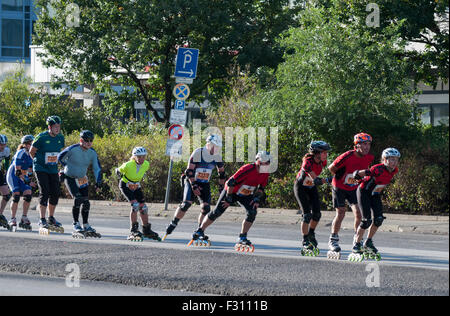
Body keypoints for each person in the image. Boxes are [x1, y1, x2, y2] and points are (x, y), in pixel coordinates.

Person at [190, 151, 272, 252]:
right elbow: (230, 182)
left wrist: (257, 199)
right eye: (266, 163)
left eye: (269, 163)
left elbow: (261, 188)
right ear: (259, 162)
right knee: (217, 212)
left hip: (245, 194)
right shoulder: (248, 168)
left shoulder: (265, 172)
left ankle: (242, 237)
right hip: (231, 191)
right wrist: (228, 198)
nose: (268, 165)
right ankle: (199, 231)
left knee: (252, 212)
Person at [163, 134, 226, 240]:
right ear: (208, 144)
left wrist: (221, 189)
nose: (216, 149)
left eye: (218, 147)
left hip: (204, 182)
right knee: (186, 204)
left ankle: (200, 231)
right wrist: (194, 185)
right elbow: (189, 171)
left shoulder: (217, 156)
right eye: (215, 146)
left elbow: (222, 174)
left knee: (206, 208)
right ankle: (174, 223)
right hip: (191, 180)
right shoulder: (198, 152)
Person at [327, 133, 374, 259]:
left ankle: (357, 241)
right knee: (341, 212)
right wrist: (340, 173)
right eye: (364, 144)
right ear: (357, 145)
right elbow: (331, 168)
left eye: (369, 144)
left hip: (353, 187)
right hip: (339, 186)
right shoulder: (348, 155)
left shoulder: (369, 158)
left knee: (359, 213)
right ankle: (333, 239)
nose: (367, 147)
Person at [348, 148, 400, 262]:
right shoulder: (378, 168)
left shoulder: (394, 170)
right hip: (364, 192)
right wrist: (356, 175)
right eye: (392, 159)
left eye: (396, 159)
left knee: (379, 219)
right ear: (385, 160)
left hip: (375, 194)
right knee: (366, 221)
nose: (394, 162)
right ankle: (356, 244)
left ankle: (368, 242)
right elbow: (362, 173)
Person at [58, 130, 102, 238]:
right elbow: (60, 157)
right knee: (78, 199)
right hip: (70, 177)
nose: (89, 143)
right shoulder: (73, 149)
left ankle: (85, 224)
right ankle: (76, 223)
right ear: (81, 140)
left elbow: (97, 168)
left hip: (82, 178)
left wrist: (98, 182)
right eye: (86, 141)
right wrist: (65, 168)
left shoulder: (92, 152)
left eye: (91, 141)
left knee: (86, 202)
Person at [294, 141, 332, 256]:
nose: (326, 155)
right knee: (307, 215)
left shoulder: (323, 162)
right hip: (301, 188)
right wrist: (329, 180)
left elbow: (315, 182)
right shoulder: (307, 161)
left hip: (311, 187)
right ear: (316, 153)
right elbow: (316, 179)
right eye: (324, 152)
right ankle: (305, 239)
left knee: (317, 214)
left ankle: (311, 233)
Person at [29, 115, 65, 233]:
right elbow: (31, 151)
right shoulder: (41, 137)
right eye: (55, 127)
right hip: (40, 168)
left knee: (55, 192)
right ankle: (42, 219)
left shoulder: (60, 137)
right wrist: (38, 163)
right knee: (44, 191)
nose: (57, 129)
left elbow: (59, 152)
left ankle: (51, 218)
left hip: (53, 169)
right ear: (49, 127)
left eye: (59, 127)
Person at [116, 146, 160, 241]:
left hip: (136, 185)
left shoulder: (146, 164)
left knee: (143, 207)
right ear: (134, 157)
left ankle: (146, 229)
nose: (141, 159)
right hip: (126, 185)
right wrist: (122, 178)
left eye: (143, 156)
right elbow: (117, 171)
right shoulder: (128, 165)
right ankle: (134, 230)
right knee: (135, 205)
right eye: (139, 157)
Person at [6, 135, 36, 231]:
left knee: (28, 194)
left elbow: (30, 171)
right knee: (16, 196)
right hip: (13, 175)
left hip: (22, 175)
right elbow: (17, 172)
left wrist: (30, 180)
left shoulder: (32, 154)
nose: (33, 146)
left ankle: (24, 217)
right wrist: (27, 181)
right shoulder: (20, 152)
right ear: (26, 144)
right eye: (31, 144)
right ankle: (12, 218)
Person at [0, 134, 12, 230]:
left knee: (7, 195)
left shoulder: (6, 150)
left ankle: (0, 214)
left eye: (4, 144)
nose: (2, 147)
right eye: (0, 144)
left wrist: (7, 173)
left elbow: (7, 162)